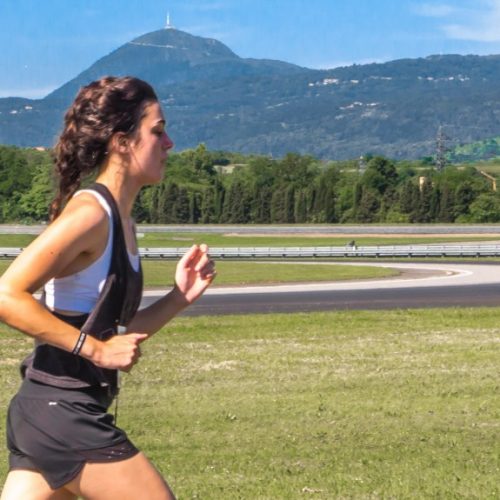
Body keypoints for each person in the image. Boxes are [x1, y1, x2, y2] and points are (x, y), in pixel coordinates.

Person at [0, 76, 215, 499]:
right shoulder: (91, 214)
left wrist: (179, 297)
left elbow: (113, 334)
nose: (169, 143)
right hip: (63, 414)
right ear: (121, 142)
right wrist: (96, 351)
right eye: (157, 131)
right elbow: (7, 295)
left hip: (49, 412)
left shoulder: (122, 221)